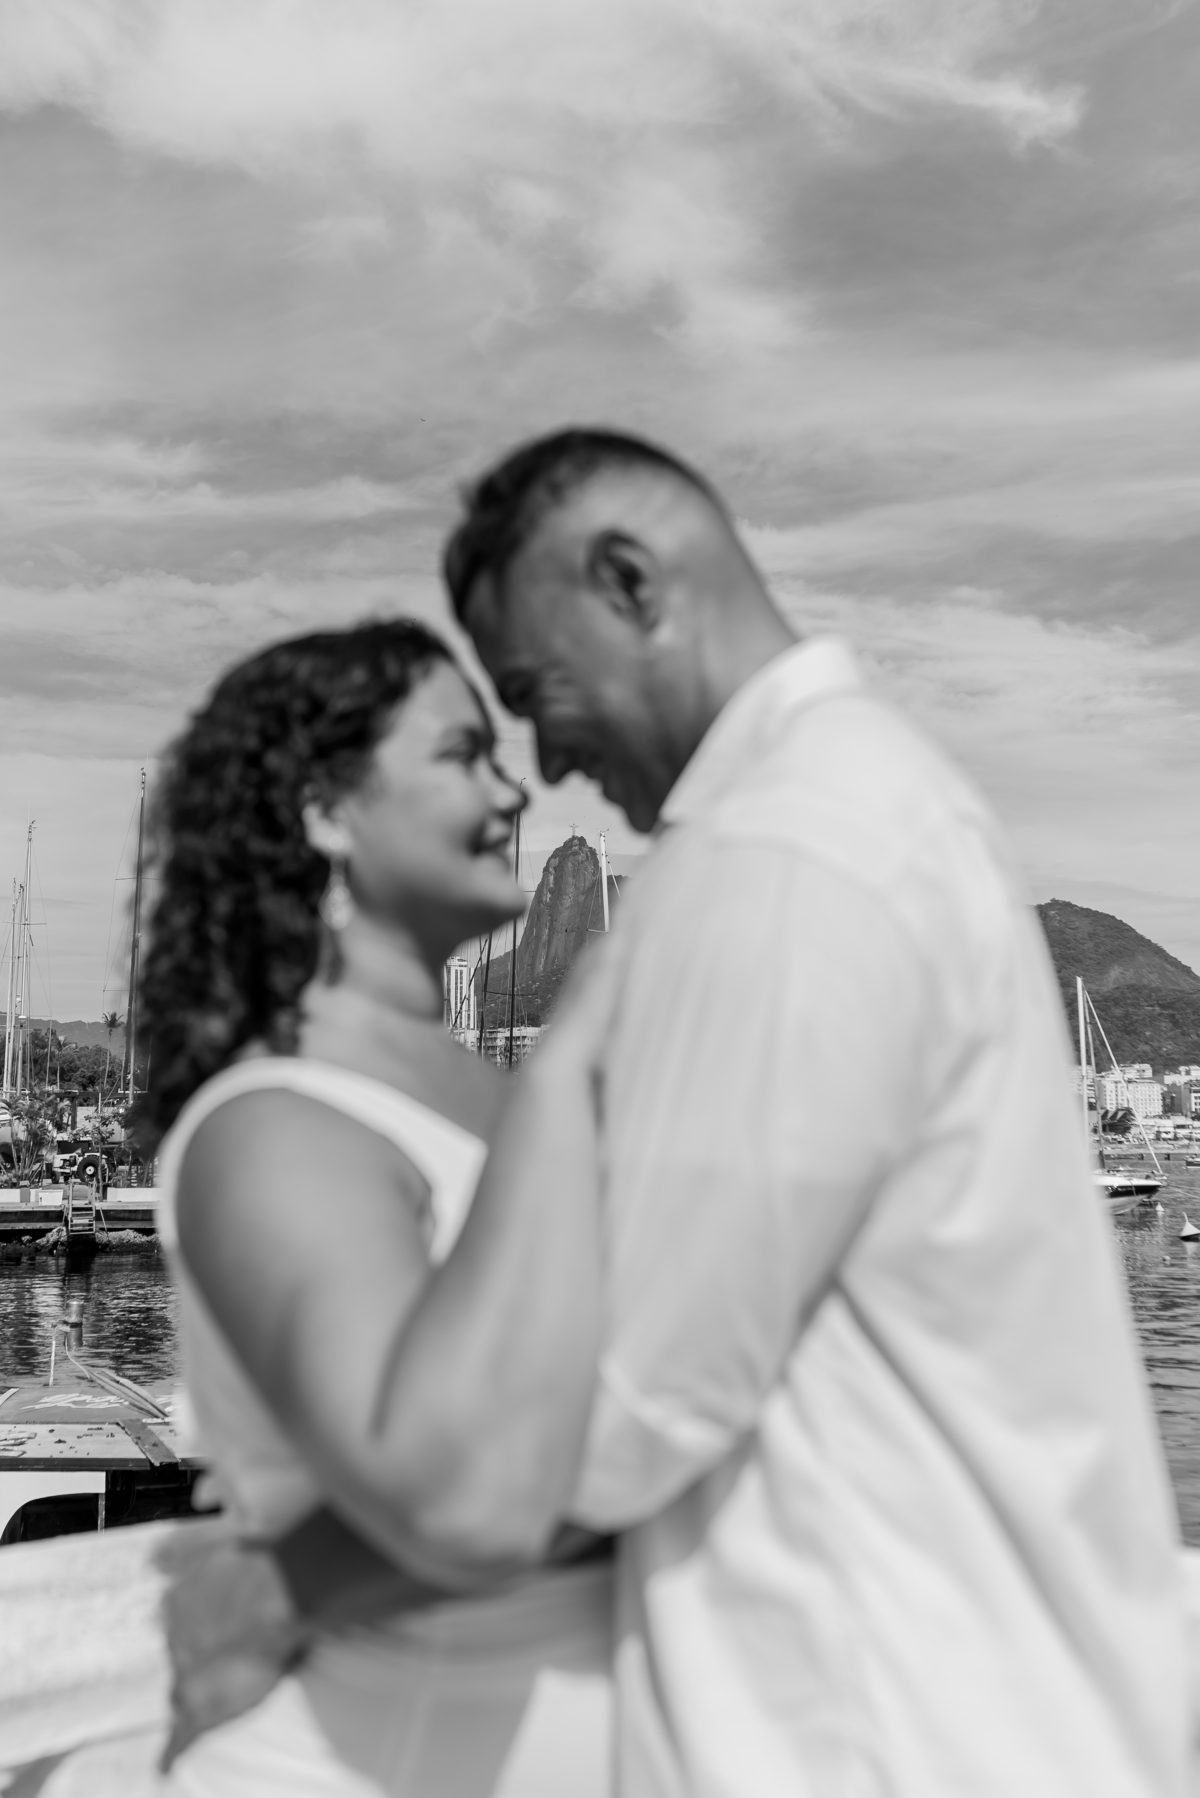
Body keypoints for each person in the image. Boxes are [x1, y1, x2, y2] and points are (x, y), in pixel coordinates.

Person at [168, 430, 1189, 1797]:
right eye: (482, 736)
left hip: (879, 1730)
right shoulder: (847, 811)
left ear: (633, 583)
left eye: (532, 695)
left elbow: (612, 1408)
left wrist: (294, 1577)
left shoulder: (782, 855)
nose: (540, 763)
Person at [141, 619, 616, 1796]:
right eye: (463, 754)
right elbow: (452, 1495)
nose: (512, 792)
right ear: (325, 810)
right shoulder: (275, 1127)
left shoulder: (511, 1094)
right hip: (373, 1756)